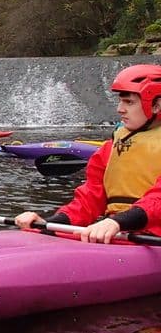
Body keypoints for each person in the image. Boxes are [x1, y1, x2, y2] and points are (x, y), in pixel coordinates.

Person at [15, 64, 161, 243]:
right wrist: (49, 225)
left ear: (156, 105)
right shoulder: (111, 148)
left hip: (148, 236)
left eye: (129, 102)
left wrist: (117, 222)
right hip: (121, 233)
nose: (120, 109)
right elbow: (89, 200)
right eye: (120, 101)